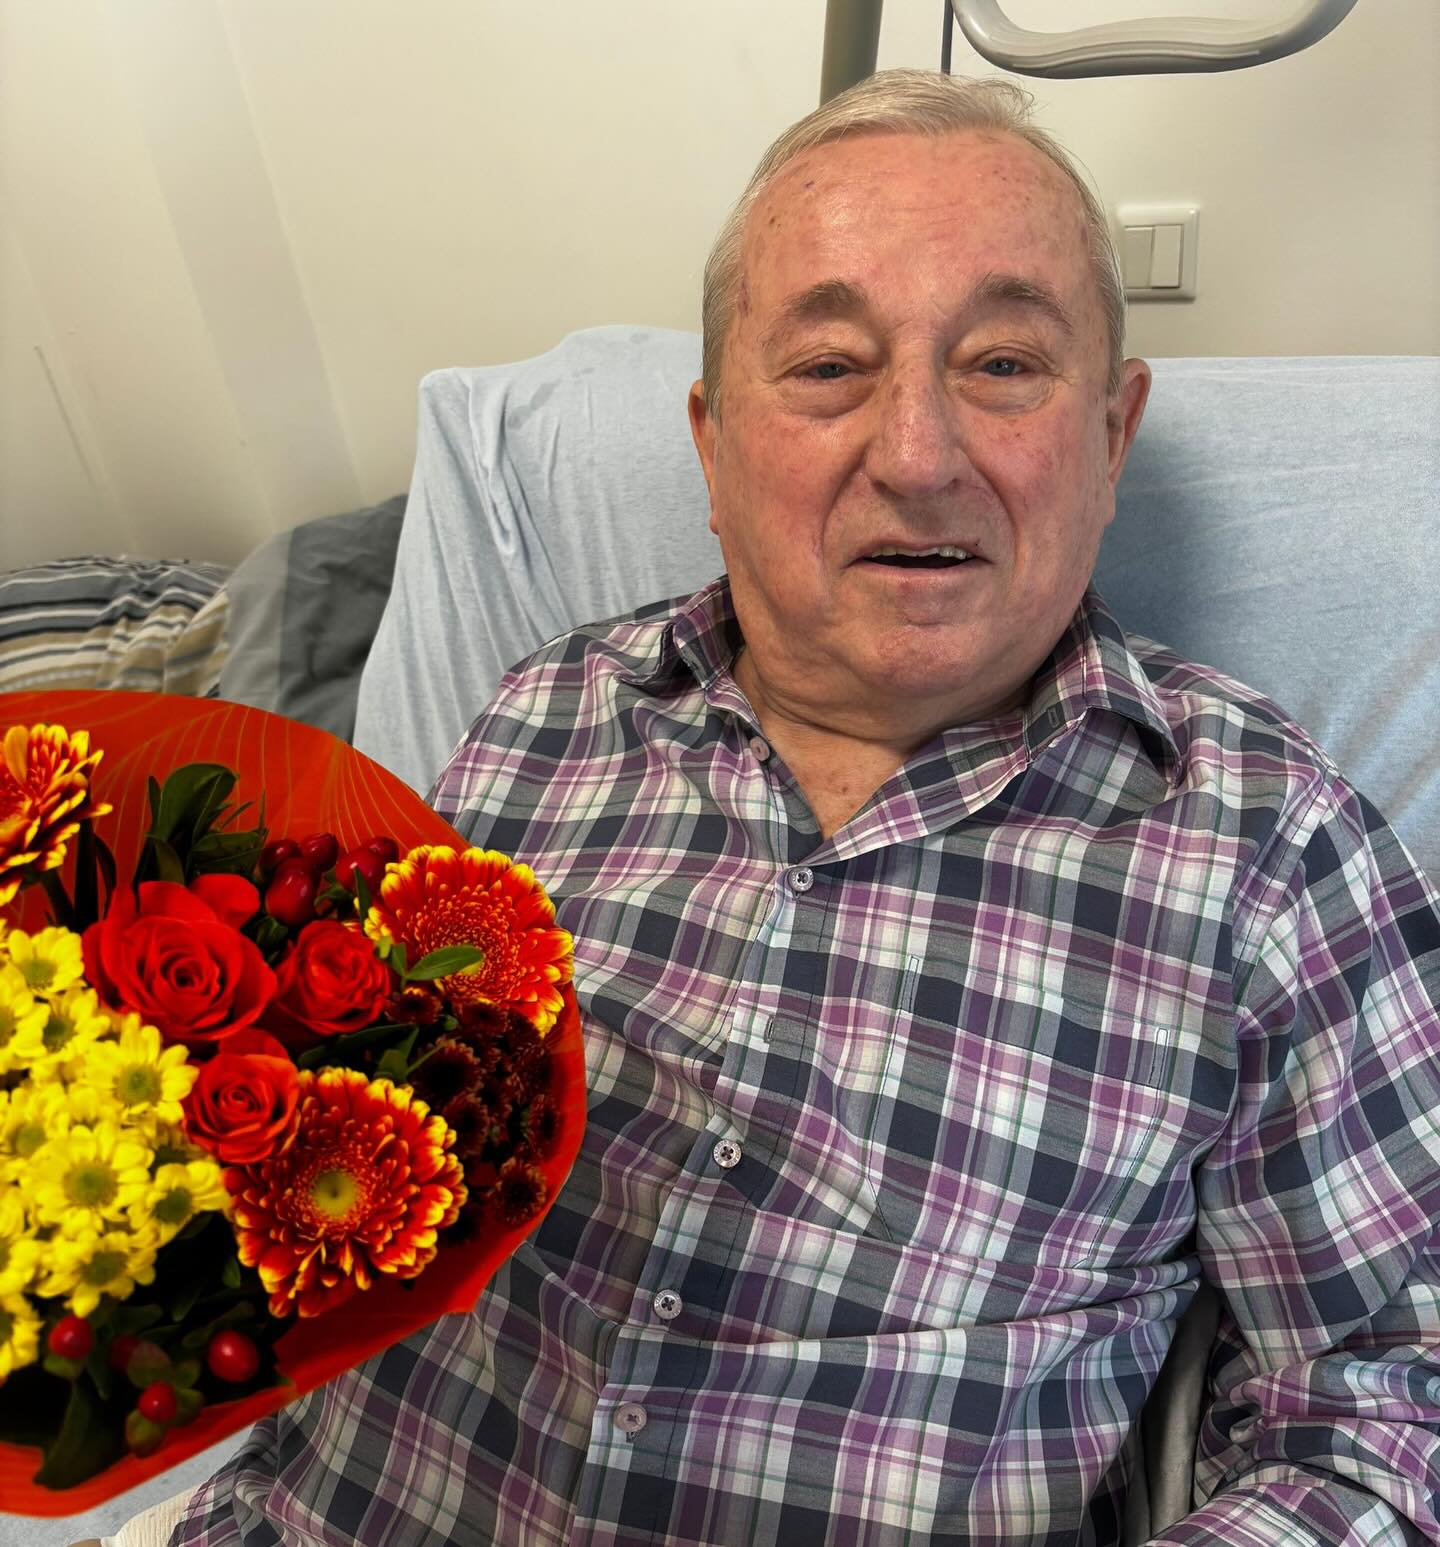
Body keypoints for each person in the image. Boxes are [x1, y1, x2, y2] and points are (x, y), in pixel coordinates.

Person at [170, 69, 1440, 1546]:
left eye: (1005, 365)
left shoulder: (1266, 850)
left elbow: (1388, 1411)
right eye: (831, 367)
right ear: (712, 446)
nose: (918, 454)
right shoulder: (540, 721)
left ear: (1112, 437)